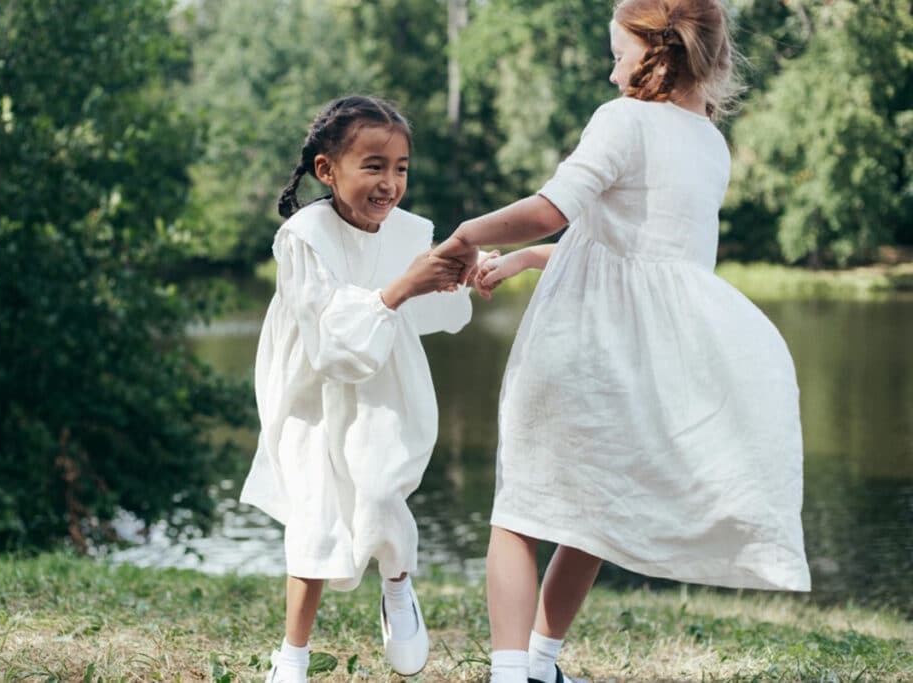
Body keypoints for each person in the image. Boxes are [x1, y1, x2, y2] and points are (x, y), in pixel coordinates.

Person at [435, 2, 811, 681]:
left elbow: (554, 208)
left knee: (519, 510)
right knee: (593, 514)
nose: (612, 75)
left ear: (657, 55)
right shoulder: (709, 142)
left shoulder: (624, 120)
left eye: (618, 55)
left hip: (573, 350)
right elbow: (644, 263)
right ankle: (544, 663)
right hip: (642, 360)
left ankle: (510, 672)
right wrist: (522, 261)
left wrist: (470, 233)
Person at [240, 95, 477, 683]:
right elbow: (329, 341)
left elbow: (434, 300)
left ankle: (397, 585)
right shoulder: (304, 236)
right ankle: (291, 658)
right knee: (315, 513)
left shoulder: (408, 232)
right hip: (309, 389)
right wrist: (400, 289)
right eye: (373, 165)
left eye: (400, 167)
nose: (389, 183)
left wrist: (463, 273)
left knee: (377, 493)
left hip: (382, 388)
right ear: (328, 170)